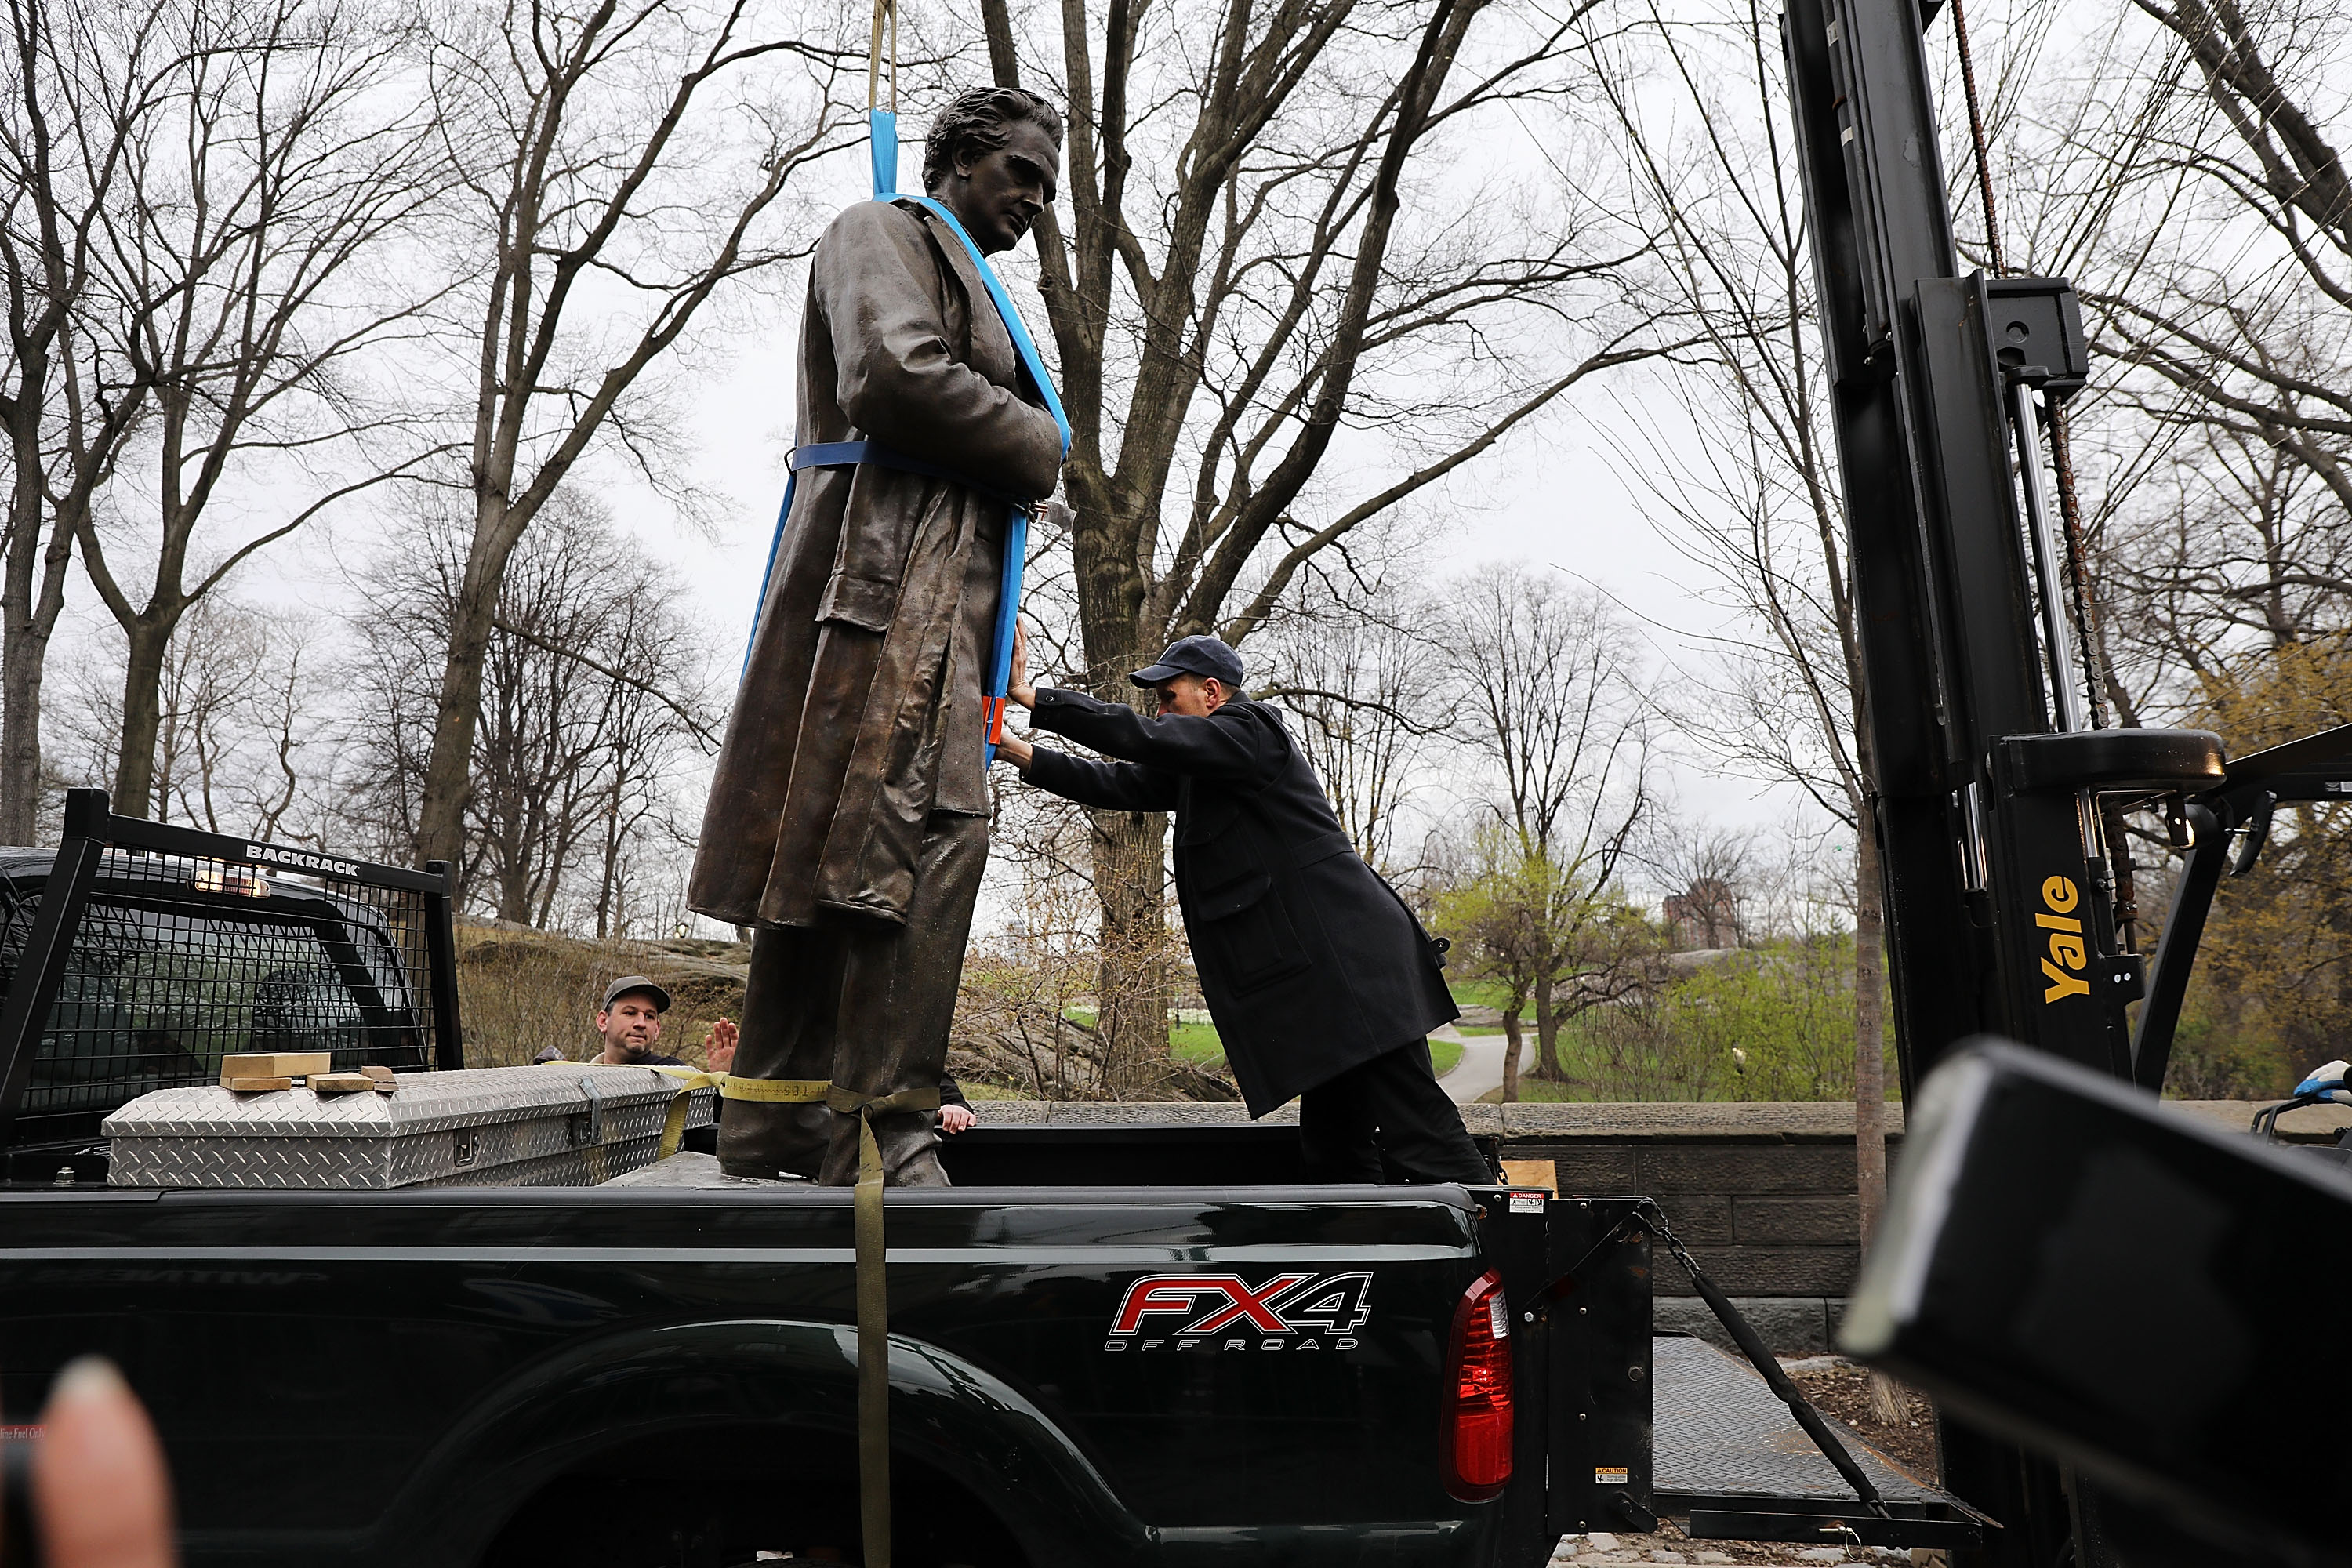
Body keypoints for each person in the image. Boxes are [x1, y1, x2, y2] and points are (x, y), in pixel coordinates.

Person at [686, 85, 1065, 1187]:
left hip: (935, 606)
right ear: (955, 160)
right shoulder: (881, 231)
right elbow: (893, 376)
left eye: (1047, 188)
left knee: (869, 854)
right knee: (916, 843)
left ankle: (787, 1133)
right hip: (882, 601)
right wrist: (1040, 446)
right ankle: (886, 1125)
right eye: (1020, 176)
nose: (1034, 203)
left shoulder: (966, 268)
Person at [996, 628, 1490, 1185]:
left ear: (1212, 693)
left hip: (1356, 977)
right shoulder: (1212, 765)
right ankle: (1358, 1260)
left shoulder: (1250, 733)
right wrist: (1016, 750)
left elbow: (1143, 741)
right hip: (1328, 990)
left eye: (1169, 699)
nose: (1160, 714)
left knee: (1417, 1129)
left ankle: (1496, 1250)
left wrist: (1034, 696)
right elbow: (1122, 781)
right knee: (1334, 1152)